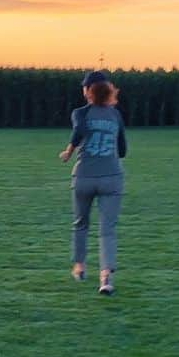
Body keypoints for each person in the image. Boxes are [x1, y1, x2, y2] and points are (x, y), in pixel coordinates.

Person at [59, 70, 127, 295]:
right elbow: (123, 150)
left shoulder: (80, 113)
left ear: (88, 91)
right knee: (107, 230)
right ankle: (105, 277)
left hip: (84, 178)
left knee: (80, 224)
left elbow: (79, 131)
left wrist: (69, 151)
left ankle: (79, 266)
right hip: (111, 178)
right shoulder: (115, 115)